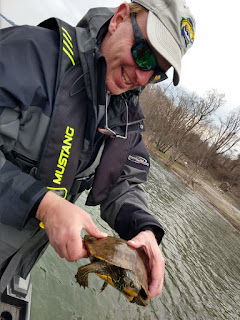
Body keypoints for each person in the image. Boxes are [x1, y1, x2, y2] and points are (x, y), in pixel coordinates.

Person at [0, 0, 195, 302]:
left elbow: (122, 183)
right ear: (118, 19)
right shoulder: (27, 53)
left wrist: (144, 230)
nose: (143, 78)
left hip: (11, 267)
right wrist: (44, 205)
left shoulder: (125, 116)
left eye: (157, 73)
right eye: (144, 54)